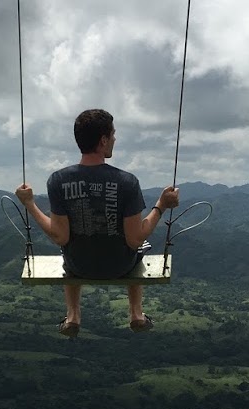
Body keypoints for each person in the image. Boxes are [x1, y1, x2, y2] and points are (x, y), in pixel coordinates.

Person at [15, 109, 180, 338]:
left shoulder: (58, 180)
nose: (115, 139)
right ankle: (136, 313)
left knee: (69, 249)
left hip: (79, 265)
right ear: (103, 140)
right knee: (140, 247)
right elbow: (135, 238)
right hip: (120, 266)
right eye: (112, 135)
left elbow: (60, 236)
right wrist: (161, 205)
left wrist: (30, 204)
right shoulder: (127, 182)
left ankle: (73, 316)